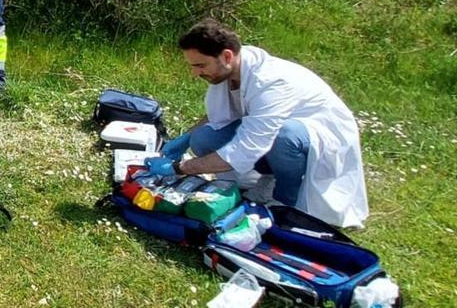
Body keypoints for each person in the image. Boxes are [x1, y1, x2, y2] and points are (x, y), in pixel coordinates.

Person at [145, 19, 369, 228]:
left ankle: (284, 203)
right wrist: (186, 138)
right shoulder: (230, 71)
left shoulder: (271, 82)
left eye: (200, 65)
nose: (195, 73)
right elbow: (220, 117)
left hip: (320, 137)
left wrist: (180, 168)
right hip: (272, 133)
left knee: (284, 137)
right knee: (204, 137)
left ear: (226, 56)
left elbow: (246, 148)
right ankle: (247, 185)